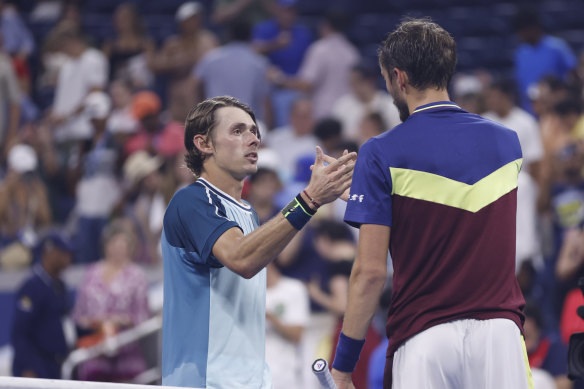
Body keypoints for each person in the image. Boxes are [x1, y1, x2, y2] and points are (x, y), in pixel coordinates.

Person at [330, 19, 531, 389]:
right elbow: (461, 211)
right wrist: (379, 201)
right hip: (500, 335)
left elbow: (370, 273)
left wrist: (343, 365)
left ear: (398, 77)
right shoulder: (508, 143)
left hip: (424, 337)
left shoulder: (379, 152)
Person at [161, 95, 356, 388]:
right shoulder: (191, 200)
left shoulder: (248, 212)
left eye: (254, 131)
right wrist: (311, 198)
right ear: (204, 144)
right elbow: (241, 258)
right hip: (205, 380)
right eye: (238, 131)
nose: (253, 139)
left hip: (251, 380)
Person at [73, 218, 149, 382]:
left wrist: (118, 321)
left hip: (126, 352)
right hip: (94, 351)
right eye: (114, 244)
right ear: (106, 245)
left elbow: (142, 316)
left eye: (123, 245)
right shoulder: (91, 273)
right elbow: (79, 314)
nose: (118, 250)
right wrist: (96, 322)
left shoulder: (137, 276)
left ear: (130, 248)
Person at [11, 233, 74, 379]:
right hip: (38, 365)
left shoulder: (60, 286)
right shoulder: (32, 287)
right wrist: (28, 367)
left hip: (58, 364)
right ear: (49, 253)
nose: (68, 258)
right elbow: (20, 333)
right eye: (63, 253)